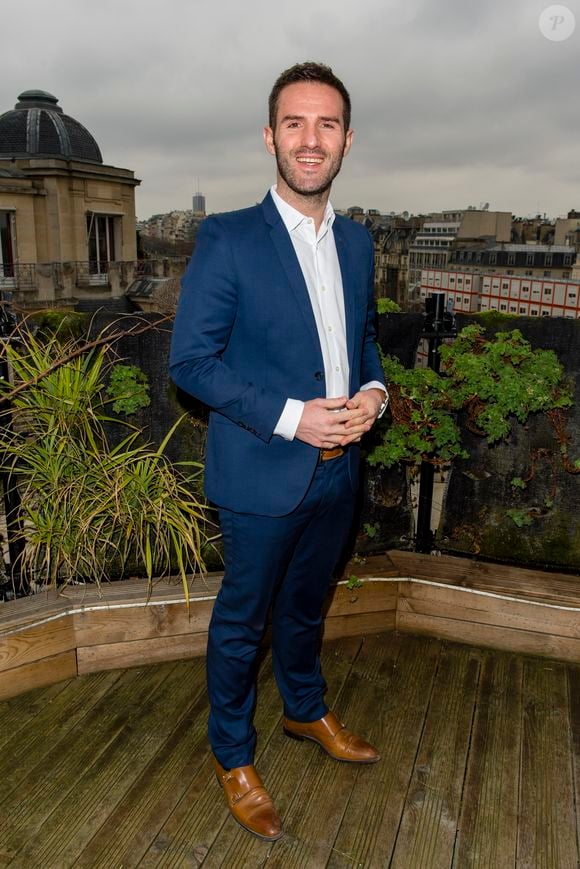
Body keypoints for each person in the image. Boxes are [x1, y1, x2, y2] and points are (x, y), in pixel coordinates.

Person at [169, 61, 388, 841]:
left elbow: (361, 340)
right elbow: (190, 364)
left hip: (339, 474)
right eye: (294, 123)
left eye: (326, 124)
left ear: (347, 140)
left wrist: (374, 394)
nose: (310, 139)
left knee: (305, 607)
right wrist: (295, 418)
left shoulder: (360, 241)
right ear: (270, 136)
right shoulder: (227, 238)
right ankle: (232, 753)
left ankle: (304, 710)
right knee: (242, 622)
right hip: (262, 473)